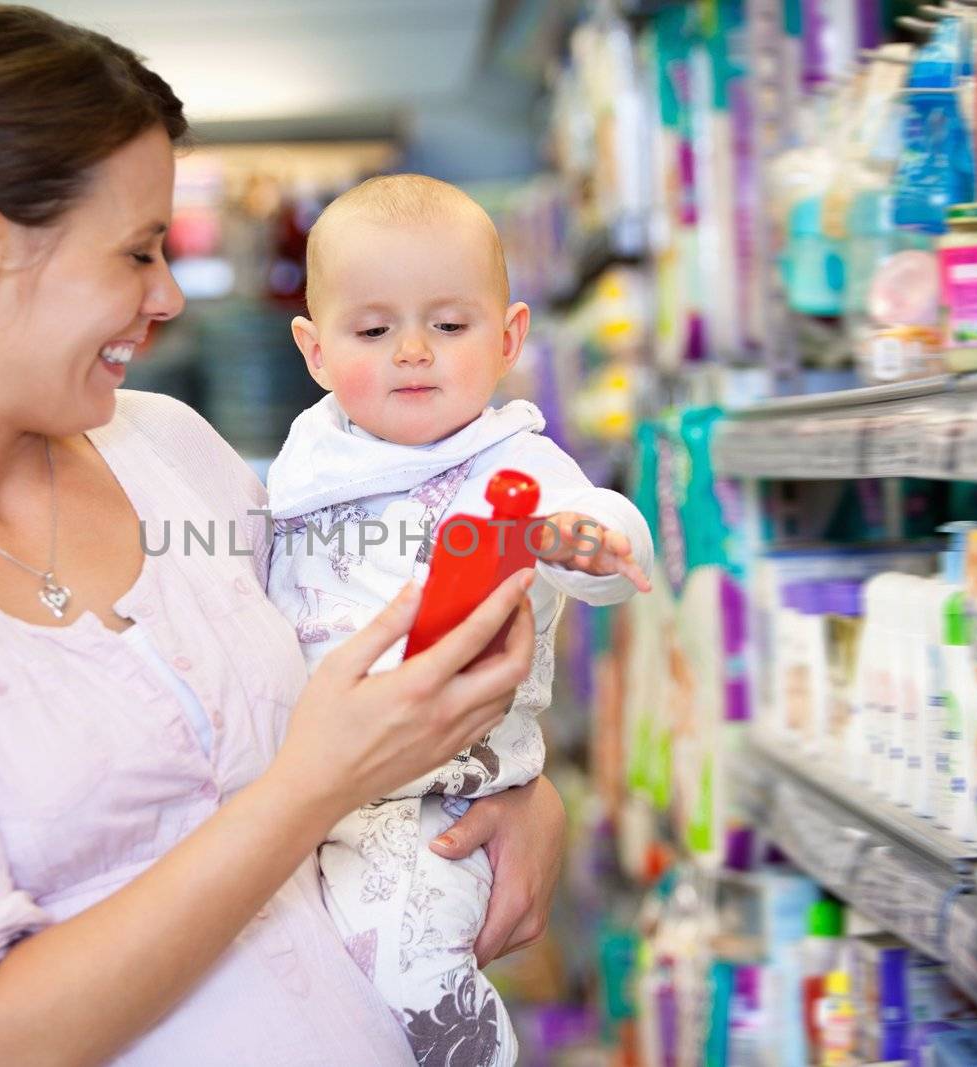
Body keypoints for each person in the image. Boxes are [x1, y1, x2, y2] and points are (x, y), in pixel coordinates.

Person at [0, 7, 569, 1065]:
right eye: (138, 251)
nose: (168, 295)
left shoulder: (167, 451)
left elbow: (354, 677)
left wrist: (515, 787)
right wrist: (309, 786)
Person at [263, 175, 655, 1065]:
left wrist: (584, 540)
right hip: (310, 792)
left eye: (448, 325)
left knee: (411, 974)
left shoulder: (512, 458)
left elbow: (607, 534)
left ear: (509, 337)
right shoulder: (310, 454)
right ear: (315, 349)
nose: (412, 351)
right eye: (372, 330)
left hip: (438, 798)